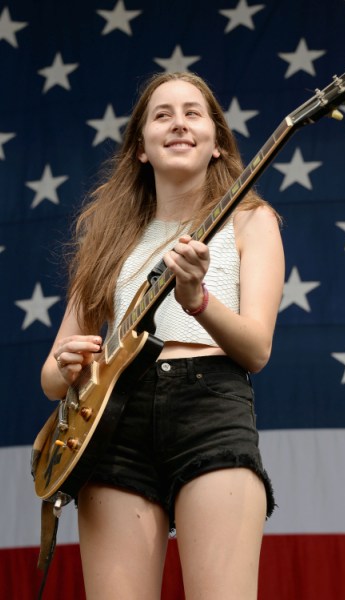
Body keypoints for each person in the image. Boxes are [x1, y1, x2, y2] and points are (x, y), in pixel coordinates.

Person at [40, 71, 285, 600]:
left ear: (217, 143)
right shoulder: (108, 236)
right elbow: (50, 377)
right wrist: (66, 365)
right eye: (162, 114)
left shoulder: (251, 220)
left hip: (211, 409)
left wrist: (197, 301)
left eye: (193, 113)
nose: (179, 123)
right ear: (140, 150)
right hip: (113, 421)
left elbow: (257, 348)